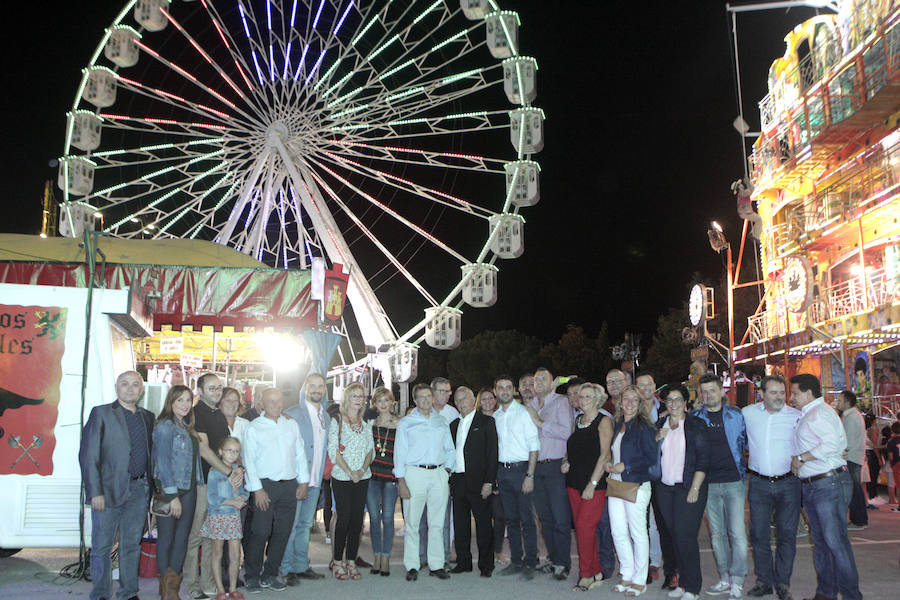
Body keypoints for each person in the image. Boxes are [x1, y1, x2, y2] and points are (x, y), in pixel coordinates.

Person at [79, 371, 155, 600]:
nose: (130, 389)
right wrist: (96, 492)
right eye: (125, 384)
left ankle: (128, 592)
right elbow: (88, 456)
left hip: (139, 490)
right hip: (107, 492)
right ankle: (101, 593)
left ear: (141, 390)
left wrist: (151, 491)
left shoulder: (148, 417)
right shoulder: (101, 413)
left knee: (131, 545)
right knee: (102, 546)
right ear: (116, 387)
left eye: (135, 385)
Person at [789, 373, 862, 600]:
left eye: (795, 393)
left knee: (835, 542)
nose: (791, 397)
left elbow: (831, 445)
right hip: (817, 485)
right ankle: (826, 593)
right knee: (821, 542)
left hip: (827, 484)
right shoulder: (811, 413)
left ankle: (851, 595)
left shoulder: (819, 413)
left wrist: (802, 458)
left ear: (809, 393)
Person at [242, 387, 310, 592]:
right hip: (265, 487)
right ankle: (251, 575)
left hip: (289, 486)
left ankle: (270, 573)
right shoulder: (254, 428)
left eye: (279, 401)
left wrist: (304, 482)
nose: (276, 405)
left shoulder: (291, 424)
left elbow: (300, 453)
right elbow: (249, 461)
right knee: (260, 532)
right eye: (271, 401)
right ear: (261, 404)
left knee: (282, 532)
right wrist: (257, 489)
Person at [742, 376, 801, 600]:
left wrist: (802, 460)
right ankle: (765, 581)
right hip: (758, 483)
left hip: (789, 484)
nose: (778, 397)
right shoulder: (748, 413)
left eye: (781, 392)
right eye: (773, 392)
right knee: (758, 534)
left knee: (787, 535)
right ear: (762, 393)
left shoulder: (796, 417)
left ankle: (783, 583)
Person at [693, 374, 748, 600]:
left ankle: (738, 580)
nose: (708, 395)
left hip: (734, 481)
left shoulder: (736, 415)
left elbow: (746, 442)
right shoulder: (695, 418)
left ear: (721, 392)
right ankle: (724, 578)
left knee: (737, 534)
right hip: (709, 484)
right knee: (717, 535)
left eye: (712, 391)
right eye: (703, 392)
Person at [393, 383, 455, 581]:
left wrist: (446, 471)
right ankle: (412, 565)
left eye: (429, 396)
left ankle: (436, 565)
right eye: (421, 397)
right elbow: (399, 453)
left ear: (433, 398)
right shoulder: (406, 423)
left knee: (437, 523)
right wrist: (401, 480)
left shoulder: (441, 421)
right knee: (412, 524)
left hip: (438, 474)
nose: (426, 400)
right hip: (414, 474)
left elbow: (450, 449)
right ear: (415, 400)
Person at [653, 383, 709, 600]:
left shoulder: (696, 424)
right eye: (669, 400)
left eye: (678, 399)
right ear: (665, 403)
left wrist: (695, 487)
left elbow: (704, 459)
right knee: (675, 536)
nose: (674, 404)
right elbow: (651, 455)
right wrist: (656, 439)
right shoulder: (660, 424)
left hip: (688, 487)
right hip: (665, 488)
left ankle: (693, 587)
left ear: (686, 402)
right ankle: (683, 583)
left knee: (685, 536)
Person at [153, 385, 206, 600]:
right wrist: (172, 495)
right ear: (170, 402)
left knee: (182, 539)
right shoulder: (164, 427)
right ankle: (168, 590)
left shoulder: (186, 426)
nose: (184, 405)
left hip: (189, 488)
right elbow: (163, 462)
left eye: (187, 400)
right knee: (166, 538)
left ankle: (171, 587)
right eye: (179, 400)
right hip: (170, 489)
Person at [185, 374, 235, 600]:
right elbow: (204, 450)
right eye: (212, 388)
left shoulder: (217, 414)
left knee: (209, 535)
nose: (217, 391)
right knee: (196, 536)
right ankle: (192, 584)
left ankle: (207, 582)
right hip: (203, 482)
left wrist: (236, 470)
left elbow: (226, 449)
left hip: (219, 483)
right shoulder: (197, 413)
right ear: (200, 391)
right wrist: (228, 472)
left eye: (219, 387)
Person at [604, 385, 658, 597]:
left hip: (636, 484)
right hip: (616, 483)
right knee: (618, 531)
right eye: (626, 399)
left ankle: (639, 578)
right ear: (620, 401)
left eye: (634, 400)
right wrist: (610, 462)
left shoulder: (644, 426)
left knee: (637, 533)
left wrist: (625, 465)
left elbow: (651, 458)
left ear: (640, 403)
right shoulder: (618, 424)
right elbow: (614, 451)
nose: (629, 403)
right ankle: (626, 574)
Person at [280, 373, 331, 584]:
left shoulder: (325, 416)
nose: (317, 389)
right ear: (304, 388)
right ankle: (285, 568)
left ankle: (301, 565)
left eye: (320, 386)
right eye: (313, 386)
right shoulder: (292, 414)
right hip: (297, 481)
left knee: (305, 525)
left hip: (315, 481)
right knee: (290, 526)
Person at [562, 383, 613, 592]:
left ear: (598, 399)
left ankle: (585, 575)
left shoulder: (604, 421)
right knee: (585, 532)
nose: (583, 400)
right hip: (573, 483)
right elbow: (574, 448)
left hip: (594, 485)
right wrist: (566, 460)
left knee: (584, 528)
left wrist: (592, 484)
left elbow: (605, 455)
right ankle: (596, 570)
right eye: (581, 397)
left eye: (588, 397)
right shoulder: (578, 420)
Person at [526, 367, 574, 580]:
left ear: (552, 381)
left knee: (560, 517)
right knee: (544, 519)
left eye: (543, 379)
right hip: (536, 467)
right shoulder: (531, 405)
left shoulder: (561, 402)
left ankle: (563, 563)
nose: (539, 382)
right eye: (536, 379)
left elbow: (566, 432)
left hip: (556, 466)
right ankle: (553, 559)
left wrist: (539, 423)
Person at [493, 375, 540, 581]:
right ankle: (516, 561)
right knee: (510, 519)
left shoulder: (523, 413)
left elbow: (534, 445)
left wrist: (530, 475)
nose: (504, 391)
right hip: (503, 472)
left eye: (508, 387)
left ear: (514, 391)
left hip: (522, 471)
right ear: (495, 391)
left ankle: (530, 561)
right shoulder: (495, 417)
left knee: (527, 519)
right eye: (500, 388)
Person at [449, 386, 499, 577]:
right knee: (460, 525)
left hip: (479, 482)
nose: (461, 403)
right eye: (458, 400)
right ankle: (464, 562)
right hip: (458, 480)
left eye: (465, 399)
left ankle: (486, 565)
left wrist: (489, 482)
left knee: (484, 524)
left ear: (473, 400)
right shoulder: (453, 425)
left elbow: (492, 454)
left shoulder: (486, 422)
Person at [327, 382, 374, 580]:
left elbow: (370, 450)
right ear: (346, 399)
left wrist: (361, 470)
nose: (358, 399)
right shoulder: (337, 421)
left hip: (362, 478)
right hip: (342, 477)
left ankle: (351, 560)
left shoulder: (365, 423)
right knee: (344, 518)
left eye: (361, 396)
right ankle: (337, 561)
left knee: (357, 521)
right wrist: (349, 471)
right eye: (354, 396)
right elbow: (333, 451)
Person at [202, 437, 249, 600]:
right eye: (229, 450)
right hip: (218, 517)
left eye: (236, 451)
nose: (233, 454)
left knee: (235, 555)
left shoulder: (238, 470)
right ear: (220, 452)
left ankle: (233, 588)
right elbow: (212, 498)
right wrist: (232, 502)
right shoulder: (214, 472)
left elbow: (244, 491)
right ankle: (221, 589)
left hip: (233, 517)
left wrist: (242, 499)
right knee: (217, 553)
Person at [635, 371, 671, 585]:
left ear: (655, 385)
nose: (645, 388)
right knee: (638, 519)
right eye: (641, 385)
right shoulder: (632, 410)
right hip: (638, 470)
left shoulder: (665, 409)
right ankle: (642, 560)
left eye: (648, 384)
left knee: (655, 521)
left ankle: (655, 561)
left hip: (661, 470)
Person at [418, 376, 457, 568]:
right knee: (422, 519)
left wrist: (448, 471)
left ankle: (443, 557)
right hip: (420, 474)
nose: (446, 395)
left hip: (442, 475)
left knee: (442, 520)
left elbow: (454, 447)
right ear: (432, 393)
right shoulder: (418, 412)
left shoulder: (453, 414)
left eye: (448, 391)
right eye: (442, 391)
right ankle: (422, 557)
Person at [367, 386, 400, 576]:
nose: (383, 404)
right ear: (375, 404)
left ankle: (386, 556)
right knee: (374, 518)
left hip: (391, 478)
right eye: (380, 401)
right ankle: (377, 555)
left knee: (388, 518)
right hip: (371, 477)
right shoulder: (369, 423)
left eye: (387, 400)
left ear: (392, 403)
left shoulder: (400, 423)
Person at [477, 388, 507, 564]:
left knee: (499, 515)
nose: (487, 401)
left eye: (490, 398)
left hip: (499, 471)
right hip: (482, 473)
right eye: (483, 399)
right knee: (484, 515)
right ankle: (486, 552)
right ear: (479, 402)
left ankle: (498, 551)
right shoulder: (476, 421)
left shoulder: (500, 418)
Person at [836, 390, 867, 528]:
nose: (838, 403)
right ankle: (858, 519)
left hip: (852, 457)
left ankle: (859, 520)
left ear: (847, 402)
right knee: (855, 489)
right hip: (855, 456)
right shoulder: (853, 415)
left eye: (840, 400)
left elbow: (847, 441)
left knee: (854, 490)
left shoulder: (851, 417)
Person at [884, 422, 900, 511]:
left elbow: (890, 456)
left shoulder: (891, 441)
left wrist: (891, 464)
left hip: (897, 463)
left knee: (898, 485)